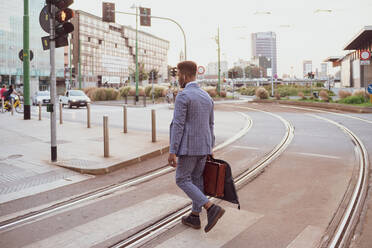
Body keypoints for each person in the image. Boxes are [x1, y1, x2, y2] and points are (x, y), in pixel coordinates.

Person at [168, 61, 225, 233]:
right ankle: (194, 216)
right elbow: (211, 124)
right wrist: (210, 147)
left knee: (182, 179)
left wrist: (172, 151)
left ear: (184, 76)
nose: (178, 77)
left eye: (178, 74)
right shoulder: (206, 96)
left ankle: (210, 208)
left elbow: (178, 125)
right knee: (197, 179)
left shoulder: (183, 96)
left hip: (189, 148)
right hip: (204, 146)